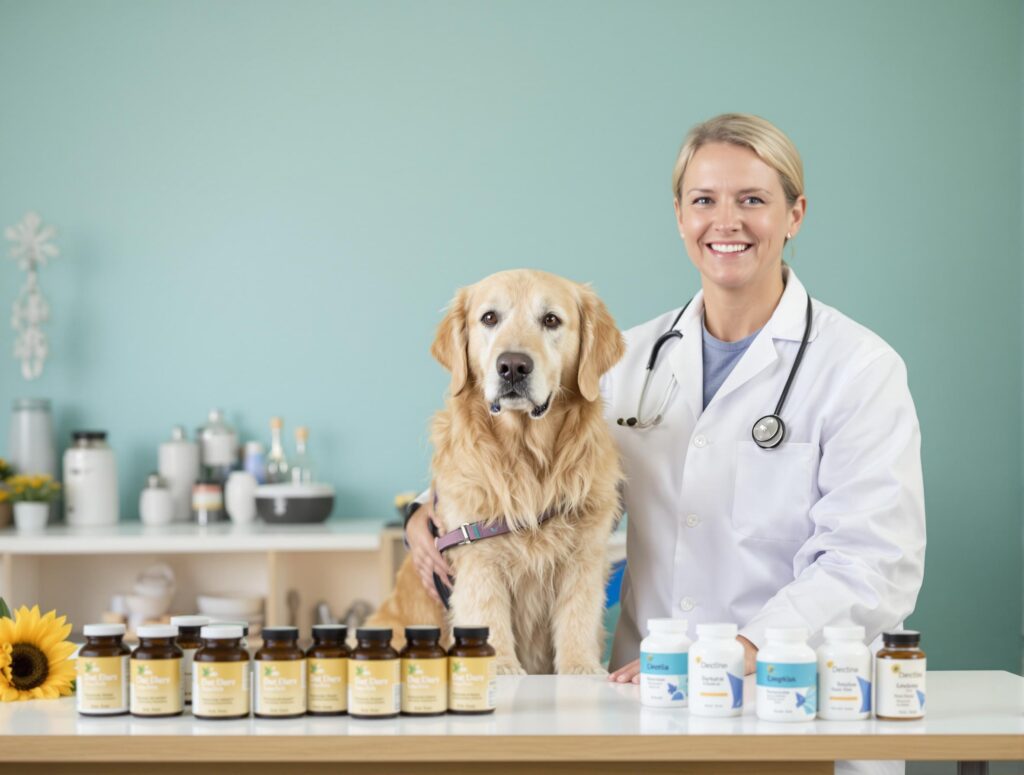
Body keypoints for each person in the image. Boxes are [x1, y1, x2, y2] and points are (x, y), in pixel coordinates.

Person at [406, 113, 925, 772]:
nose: (726, 221)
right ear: (680, 217)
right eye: (704, 200)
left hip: (797, 700)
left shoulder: (859, 368)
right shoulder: (629, 359)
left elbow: (873, 561)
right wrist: (425, 510)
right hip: (644, 702)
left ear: (795, 215)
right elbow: (535, 458)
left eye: (753, 200)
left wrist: (743, 648)